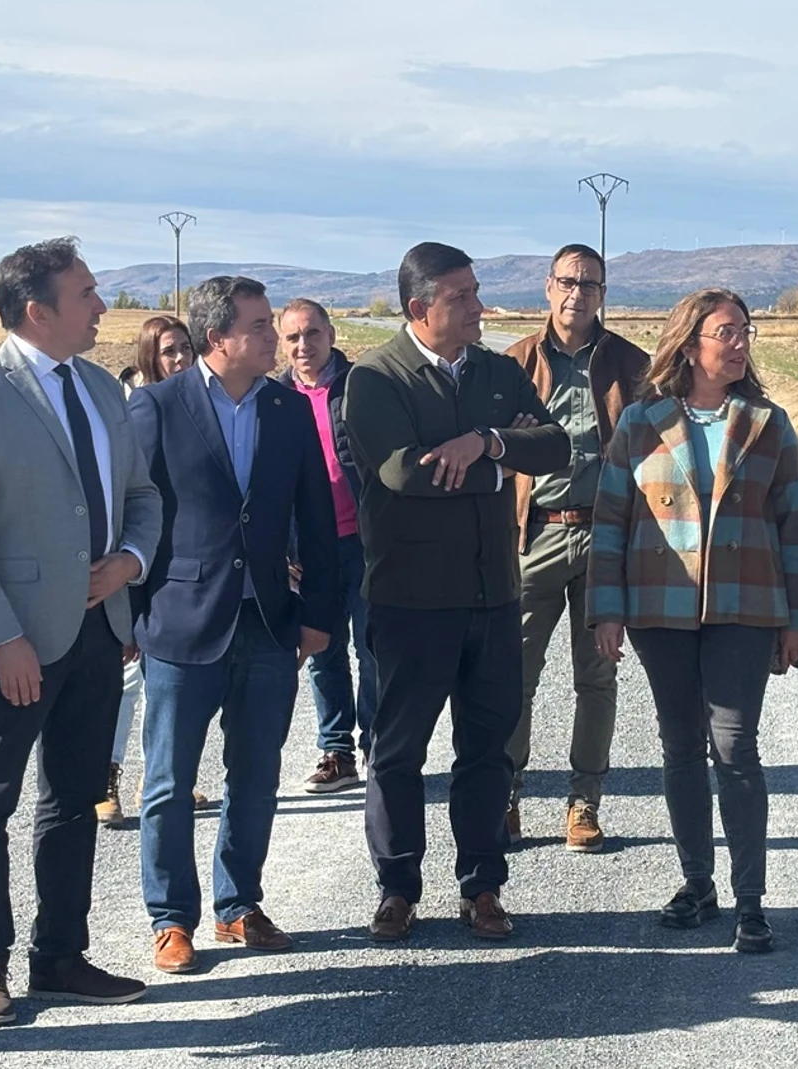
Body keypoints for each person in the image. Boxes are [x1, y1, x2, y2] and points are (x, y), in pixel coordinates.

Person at [0, 237, 161, 1026]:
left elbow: (144, 497)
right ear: (39, 309)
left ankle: (60, 953)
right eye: (88, 293)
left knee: (73, 796)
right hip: (15, 641)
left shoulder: (101, 389)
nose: (102, 306)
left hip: (98, 629)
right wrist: (2, 637)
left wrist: (129, 562)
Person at [343, 241, 569, 942]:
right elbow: (404, 474)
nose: (480, 308)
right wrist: (503, 461)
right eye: (462, 298)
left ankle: (482, 885)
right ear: (419, 309)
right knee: (398, 750)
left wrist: (488, 444)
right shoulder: (377, 379)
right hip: (411, 603)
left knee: (487, 748)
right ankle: (398, 887)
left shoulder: (500, 372)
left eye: (477, 292)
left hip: (493, 595)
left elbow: (556, 446)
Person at [587, 287, 798, 954]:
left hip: (746, 608)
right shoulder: (641, 423)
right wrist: (607, 608)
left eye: (745, 332)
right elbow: (610, 522)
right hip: (661, 609)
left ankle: (751, 900)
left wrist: (797, 615)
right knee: (681, 743)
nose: (740, 343)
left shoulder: (769, 424)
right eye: (727, 332)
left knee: (736, 745)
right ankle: (697, 883)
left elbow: (795, 524)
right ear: (690, 346)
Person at [128, 276, 339, 973]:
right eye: (259, 326)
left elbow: (316, 517)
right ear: (218, 338)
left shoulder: (285, 407)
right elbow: (136, 516)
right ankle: (171, 918)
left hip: (270, 622)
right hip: (182, 622)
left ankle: (237, 903)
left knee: (257, 774)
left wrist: (318, 616)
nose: (275, 337)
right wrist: (131, 616)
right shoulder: (158, 406)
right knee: (167, 780)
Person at [504, 243, 649, 851]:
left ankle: (584, 802)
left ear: (602, 294)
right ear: (548, 287)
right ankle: (505, 795)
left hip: (604, 536)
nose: (577, 293)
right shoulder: (514, 363)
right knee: (514, 675)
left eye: (589, 285)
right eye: (567, 282)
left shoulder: (631, 365)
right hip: (534, 534)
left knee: (597, 678)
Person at [99, 314, 203, 827]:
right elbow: (130, 497)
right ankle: (106, 777)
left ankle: (163, 776)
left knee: (171, 688)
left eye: (186, 348)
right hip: (142, 565)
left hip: (187, 567)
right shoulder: (139, 408)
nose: (181, 359)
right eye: (169, 351)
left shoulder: (201, 404)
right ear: (148, 357)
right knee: (130, 682)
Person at [275, 298, 377, 793]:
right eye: (292, 336)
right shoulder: (271, 398)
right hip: (308, 549)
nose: (303, 345)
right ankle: (337, 750)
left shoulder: (363, 386)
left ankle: (380, 747)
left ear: (331, 334)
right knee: (322, 649)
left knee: (374, 645)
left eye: (312, 333)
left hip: (367, 540)